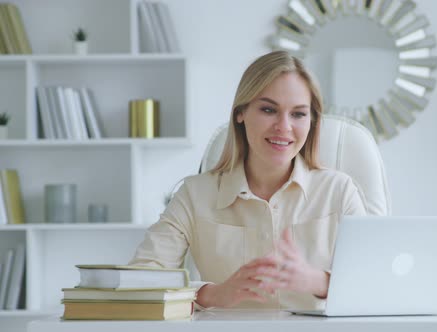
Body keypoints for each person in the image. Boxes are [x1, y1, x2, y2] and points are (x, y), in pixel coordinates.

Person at [129, 50, 366, 310]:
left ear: (312, 121)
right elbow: (140, 282)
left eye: (298, 114)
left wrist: (318, 281)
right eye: (268, 109)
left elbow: (377, 285)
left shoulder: (339, 191)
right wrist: (211, 294)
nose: (284, 127)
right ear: (241, 112)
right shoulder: (195, 195)